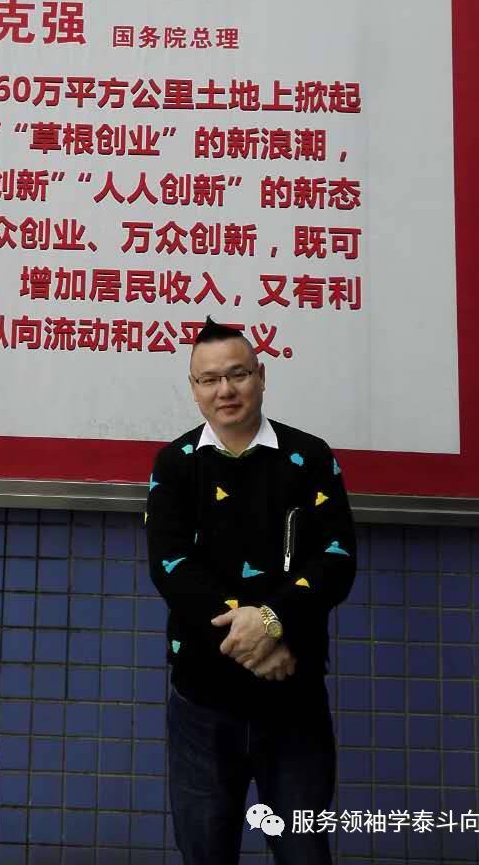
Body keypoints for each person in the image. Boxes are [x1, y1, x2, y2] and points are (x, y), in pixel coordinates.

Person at [145, 318, 356, 865]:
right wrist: (254, 638)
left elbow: (336, 560)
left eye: (238, 374)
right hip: (202, 701)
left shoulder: (310, 457)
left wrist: (274, 621)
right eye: (209, 379)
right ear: (193, 388)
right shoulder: (175, 465)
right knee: (205, 853)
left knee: (305, 853)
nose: (225, 390)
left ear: (261, 376)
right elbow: (172, 569)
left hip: (293, 695)